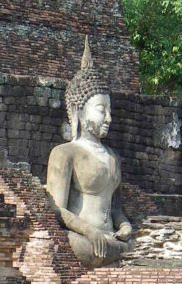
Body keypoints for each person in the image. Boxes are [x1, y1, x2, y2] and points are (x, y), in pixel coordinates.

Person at [45, 39, 132, 267]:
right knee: (84, 248)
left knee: (136, 248)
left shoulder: (113, 157)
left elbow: (115, 208)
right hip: (83, 238)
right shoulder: (64, 153)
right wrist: (89, 231)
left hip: (111, 238)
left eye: (110, 111)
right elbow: (56, 209)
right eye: (102, 110)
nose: (109, 118)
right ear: (78, 110)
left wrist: (124, 225)